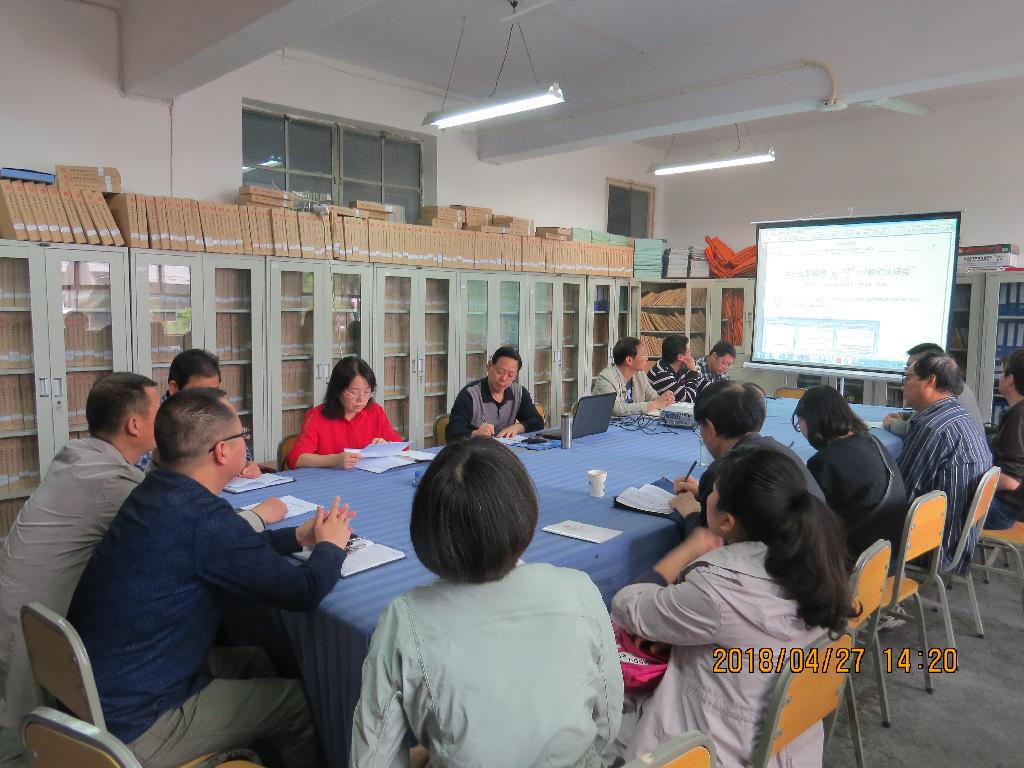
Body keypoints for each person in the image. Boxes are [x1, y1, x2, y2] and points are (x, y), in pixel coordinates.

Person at [68, 388, 354, 768]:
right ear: (222, 451)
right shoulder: (203, 518)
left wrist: (296, 537)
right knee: (294, 702)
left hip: (106, 686)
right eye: (241, 437)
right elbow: (304, 591)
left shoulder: (156, 491)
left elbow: (223, 548)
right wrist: (331, 547)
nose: (245, 445)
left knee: (257, 660)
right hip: (139, 722)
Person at [350, 439, 622, 767]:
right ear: (523, 510)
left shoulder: (404, 620)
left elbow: (372, 760)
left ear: (427, 526)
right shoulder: (579, 589)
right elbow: (607, 723)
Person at [610, 446, 855, 765]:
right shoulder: (817, 565)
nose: (706, 496)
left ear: (726, 521)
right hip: (789, 748)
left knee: (597, 717)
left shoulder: (719, 589)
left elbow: (628, 607)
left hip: (713, 751)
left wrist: (687, 550)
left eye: (712, 491)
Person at [0, 374, 157, 729]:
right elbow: (170, 518)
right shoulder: (111, 483)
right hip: (38, 629)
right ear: (134, 424)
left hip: (24, 610)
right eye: (157, 412)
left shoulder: (80, 454)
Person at [674, 381, 824, 536]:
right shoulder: (781, 451)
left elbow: (708, 542)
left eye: (700, 427)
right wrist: (705, 493)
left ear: (711, 429)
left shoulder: (725, 471)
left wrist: (691, 512)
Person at [896, 352, 992, 572]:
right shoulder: (960, 416)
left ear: (930, 381)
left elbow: (901, 494)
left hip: (931, 548)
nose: (903, 386)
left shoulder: (933, 428)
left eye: (907, 378)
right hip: (958, 541)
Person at [794, 385, 908, 564]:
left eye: (799, 422)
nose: (800, 429)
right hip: (890, 555)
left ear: (813, 421)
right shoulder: (872, 441)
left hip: (855, 561)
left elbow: (810, 523)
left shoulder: (824, 462)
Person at [137, 348, 262, 479]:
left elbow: (242, 455)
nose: (209, 400)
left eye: (214, 392)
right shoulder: (151, 419)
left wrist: (248, 466)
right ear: (174, 388)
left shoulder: (218, 408)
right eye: (200, 393)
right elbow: (141, 474)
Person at [287, 356, 403, 470]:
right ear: (337, 390)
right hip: (330, 480)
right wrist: (334, 460)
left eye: (367, 392)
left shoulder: (375, 411)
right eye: (353, 393)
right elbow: (295, 459)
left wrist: (386, 445)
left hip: (368, 478)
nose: (361, 399)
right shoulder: (317, 416)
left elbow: (402, 448)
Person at [883, 342, 984, 436]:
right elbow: (926, 416)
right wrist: (903, 416)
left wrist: (890, 423)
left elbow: (915, 430)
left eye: (911, 368)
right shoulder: (952, 386)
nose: (903, 386)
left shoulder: (943, 394)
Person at [446, 346, 545, 441]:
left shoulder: (519, 392)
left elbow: (537, 422)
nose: (504, 379)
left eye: (510, 375)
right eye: (500, 372)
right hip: (477, 449)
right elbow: (452, 432)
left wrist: (517, 427)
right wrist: (475, 433)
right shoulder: (470, 394)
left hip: (507, 448)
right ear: (489, 366)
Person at [976, 350, 1024, 530]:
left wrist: (968, 478)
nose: (999, 378)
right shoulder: (1017, 412)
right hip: (1011, 506)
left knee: (943, 504)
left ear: (1010, 379)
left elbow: (1011, 481)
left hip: (1004, 512)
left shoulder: (1019, 418)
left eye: (1002, 373)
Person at [592, 337, 674, 417]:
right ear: (629, 360)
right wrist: (653, 405)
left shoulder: (640, 375)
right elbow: (615, 409)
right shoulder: (606, 378)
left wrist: (665, 400)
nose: (646, 358)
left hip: (633, 424)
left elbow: (652, 397)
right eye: (643, 355)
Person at [646, 334, 703, 403]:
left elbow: (702, 385)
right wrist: (693, 372)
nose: (691, 355)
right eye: (689, 352)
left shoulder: (681, 368)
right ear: (680, 357)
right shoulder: (661, 374)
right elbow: (689, 399)